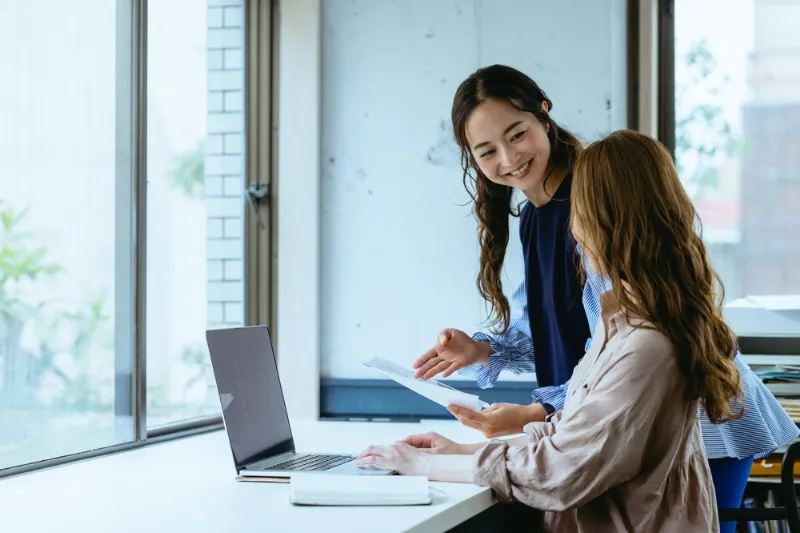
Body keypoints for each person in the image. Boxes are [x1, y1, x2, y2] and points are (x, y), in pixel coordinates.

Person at [408, 65, 799, 531]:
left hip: (697, 416)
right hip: (628, 416)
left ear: (544, 116)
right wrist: (484, 350)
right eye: (487, 150)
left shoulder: (597, 206)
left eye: (517, 134)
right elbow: (564, 331)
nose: (509, 157)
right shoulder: (536, 216)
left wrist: (541, 413)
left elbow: (625, 350)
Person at [358, 130, 746, 531]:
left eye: (578, 212)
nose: (573, 231)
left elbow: (564, 470)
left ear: (610, 221)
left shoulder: (647, 344)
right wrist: (458, 453)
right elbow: (568, 432)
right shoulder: (619, 325)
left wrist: (423, 464)